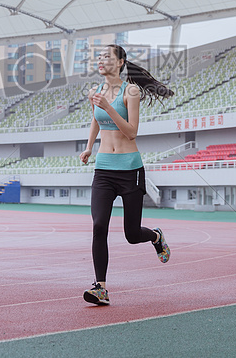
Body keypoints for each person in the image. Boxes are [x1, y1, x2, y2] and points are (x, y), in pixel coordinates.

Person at [78, 44, 174, 305]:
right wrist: (89, 147)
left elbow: (131, 132)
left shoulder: (130, 92)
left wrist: (109, 107)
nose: (101, 60)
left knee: (131, 234)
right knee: (99, 226)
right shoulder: (95, 92)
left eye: (107, 56)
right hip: (103, 170)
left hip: (130, 170)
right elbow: (96, 119)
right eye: (99, 57)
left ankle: (155, 236)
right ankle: (101, 287)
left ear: (120, 62)